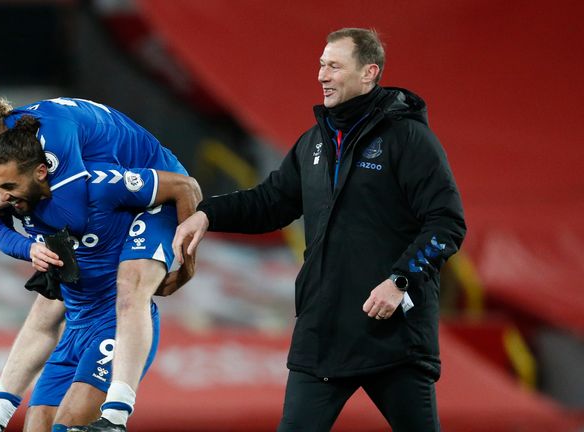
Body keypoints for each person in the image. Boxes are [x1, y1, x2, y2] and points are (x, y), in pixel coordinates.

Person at [173, 28, 466, 431]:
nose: (322, 76)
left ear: (369, 73)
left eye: (334, 66)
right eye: (321, 65)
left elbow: (446, 224)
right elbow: (271, 202)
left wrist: (400, 280)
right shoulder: (315, 142)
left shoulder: (409, 139)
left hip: (392, 335)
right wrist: (208, 214)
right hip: (323, 331)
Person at [0, 97, 199, 432]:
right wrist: (29, 243)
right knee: (48, 304)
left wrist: (186, 262)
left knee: (130, 288)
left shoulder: (54, 144)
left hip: (155, 180)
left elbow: (74, 216)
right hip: (85, 226)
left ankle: (115, 414)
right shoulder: (5, 169)